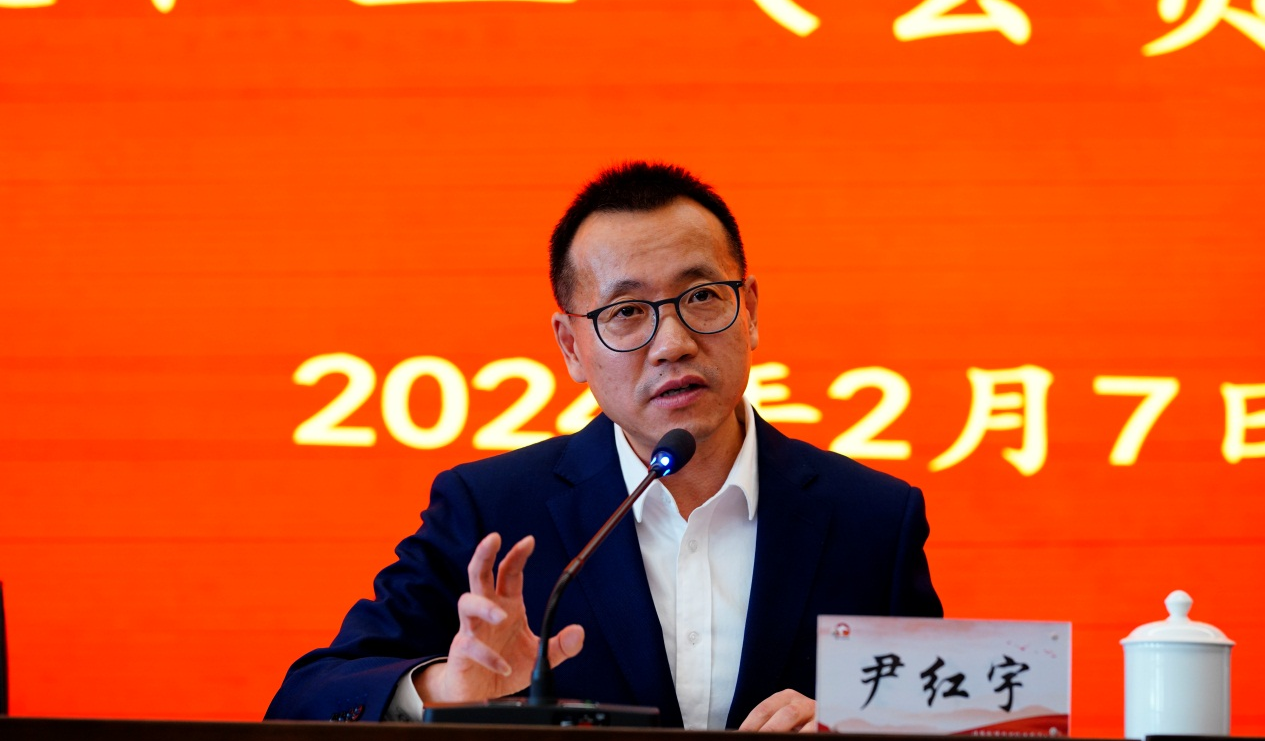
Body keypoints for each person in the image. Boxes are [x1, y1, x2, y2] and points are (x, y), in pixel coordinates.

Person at [265, 161, 942, 731]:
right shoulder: (492, 511)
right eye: (626, 312)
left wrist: (853, 728)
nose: (673, 342)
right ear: (571, 346)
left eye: (703, 296)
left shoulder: (872, 519)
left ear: (752, 311)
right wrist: (446, 688)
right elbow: (307, 699)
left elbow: (941, 717)